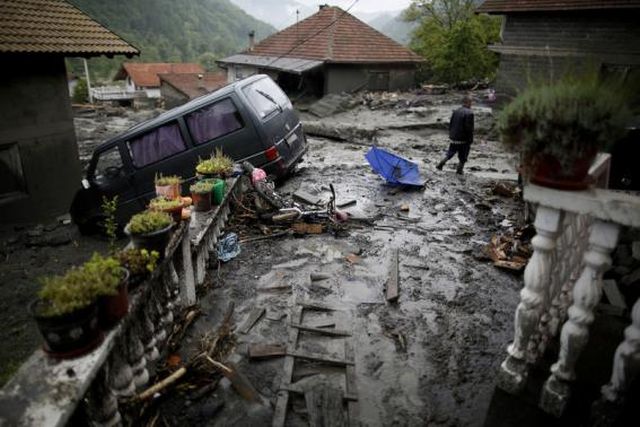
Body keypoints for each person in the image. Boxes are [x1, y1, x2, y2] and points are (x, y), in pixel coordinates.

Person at [436, 95, 474, 175]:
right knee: (463, 156)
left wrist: (451, 134)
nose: (471, 104)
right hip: (464, 139)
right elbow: (469, 129)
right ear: (468, 102)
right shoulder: (470, 113)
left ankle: (440, 164)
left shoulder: (456, 111)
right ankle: (459, 170)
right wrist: (470, 139)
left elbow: (451, 124)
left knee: (450, 153)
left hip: (454, 137)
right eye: (471, 102)